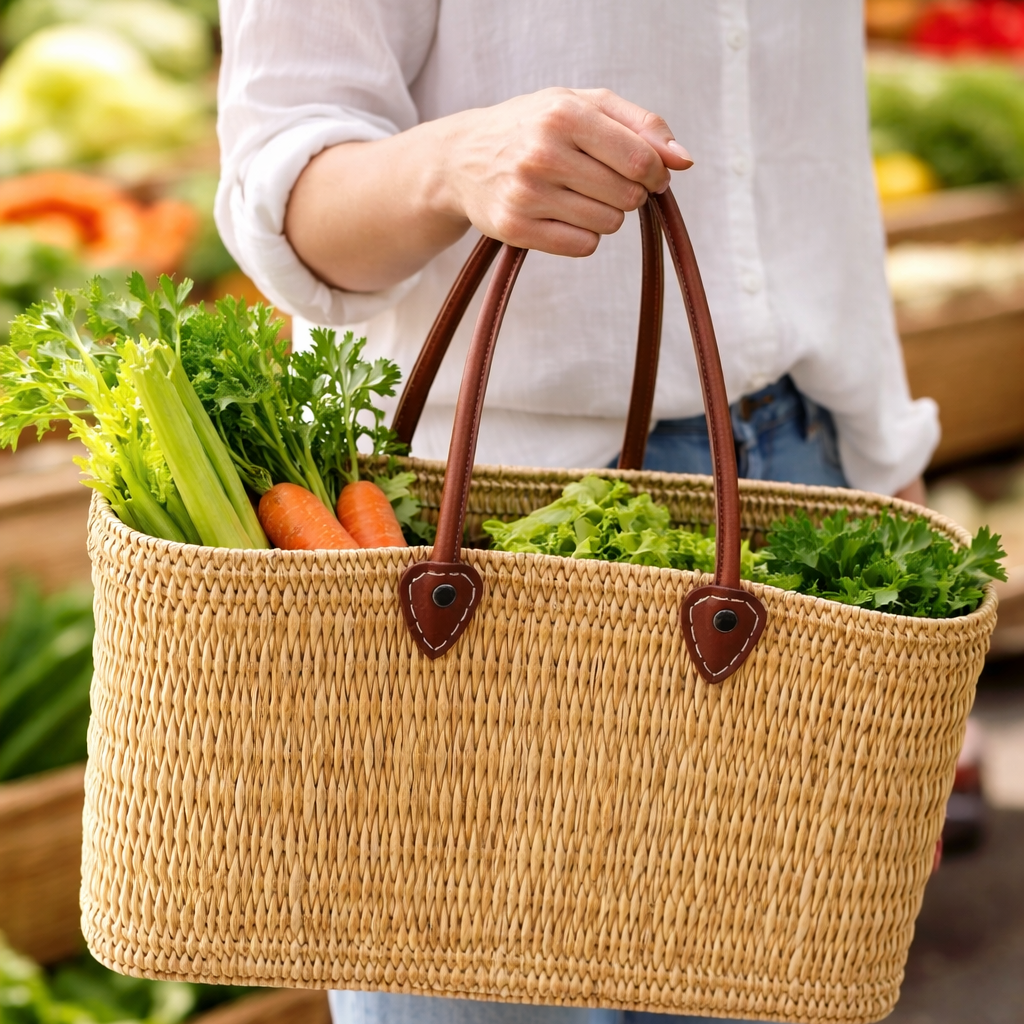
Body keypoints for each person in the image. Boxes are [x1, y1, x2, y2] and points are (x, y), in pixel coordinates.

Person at [215, 2, 938, 1021]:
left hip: (794, 495)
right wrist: (452, 160)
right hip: (480, 547)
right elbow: (278, 196)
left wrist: (888, 475)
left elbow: (813, 161)